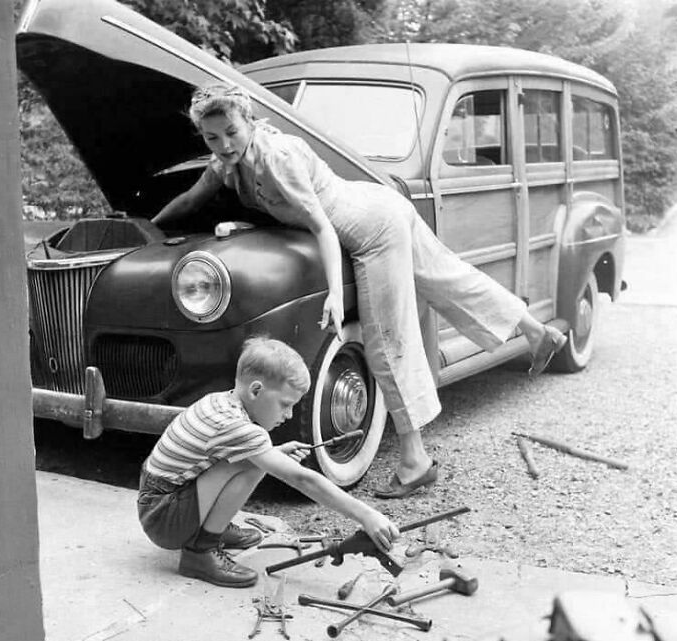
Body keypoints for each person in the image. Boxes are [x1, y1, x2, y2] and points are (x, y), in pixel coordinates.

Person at [151, 83, 567, 499]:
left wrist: (335, 293)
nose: (223, 144)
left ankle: (415, 461)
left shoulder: (278, 158)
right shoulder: (227, 164)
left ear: (251, 123)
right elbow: (191, 199)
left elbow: (322, 228)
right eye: (212, 137)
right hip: (378, 206)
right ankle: (535, 329)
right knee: (449, 276)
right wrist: (151, 226)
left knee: (386, 342)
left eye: (232, 133)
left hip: (371, 230)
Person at [137, 336, 399, 588]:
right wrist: (366, 515)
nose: (289, 414)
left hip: (158, 500)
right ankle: (200, 551)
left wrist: (277, 452)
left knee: (254, 458)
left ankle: (211, 528)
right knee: (251, 464)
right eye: (285, 404)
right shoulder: (239, 428)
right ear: (256, 390)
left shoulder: (223, 402)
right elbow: (302, 479)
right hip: (162, 518)